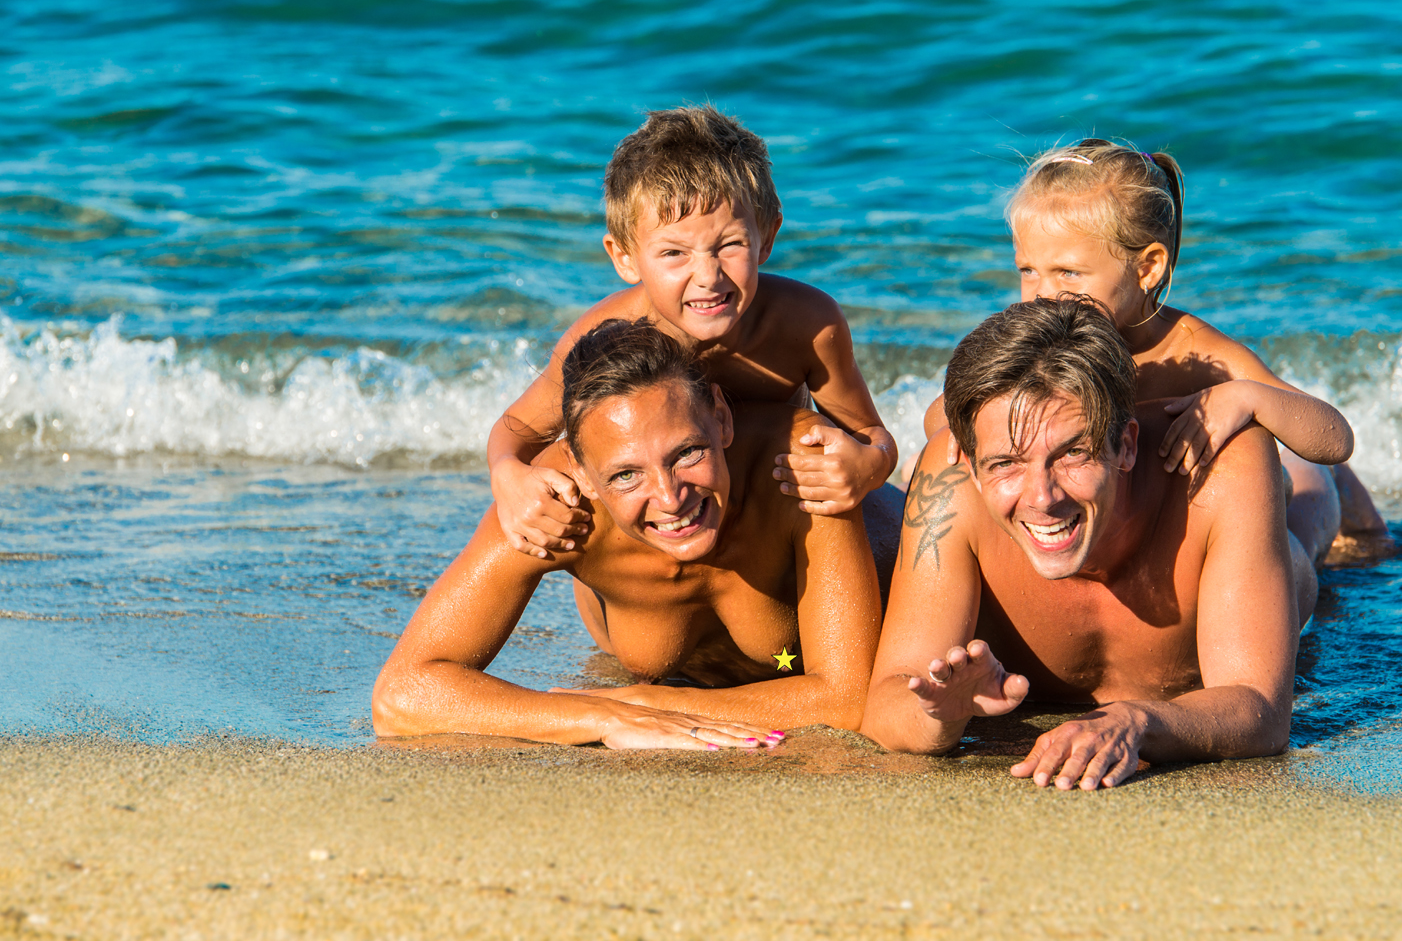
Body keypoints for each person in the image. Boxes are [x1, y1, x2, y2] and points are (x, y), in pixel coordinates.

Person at [373, 318, 882, 748]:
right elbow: (402, 696)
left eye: (688, 453)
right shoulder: (555, 505)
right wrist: (605, 717)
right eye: (625, 474)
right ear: (582, 469)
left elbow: (851, 696)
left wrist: (654, 700)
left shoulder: (797, 468)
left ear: (722, 419)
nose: (670, 497)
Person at [864, 299, 1307, 789]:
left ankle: (1322, 488)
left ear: (1127, 445)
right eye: (1006, 464)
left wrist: (1139, 721)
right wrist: (941, 716)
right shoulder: (949, 490)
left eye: (1074, 452)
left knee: (1310, 530)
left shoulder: (1221, 468)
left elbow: (1260, 710)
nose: (1042, 497)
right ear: (969, 463)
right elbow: (886, 702)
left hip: (1274, 557)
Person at [922, 137, 1390, 566]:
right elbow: (937, 418)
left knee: (1309, 503)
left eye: (1067, 273)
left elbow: (1333, 439)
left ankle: (1366, 529)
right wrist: (970, 429)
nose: (1042, 295)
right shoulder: (1034, 348)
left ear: (1147, 267)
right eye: (1028, 270)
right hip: (1137, 523)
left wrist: (1245, 397)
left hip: (1271, 505)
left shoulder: (1191, 350)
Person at [488, 105, 899, 566]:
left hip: (757, 513)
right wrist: (506, 475)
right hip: (657, 517)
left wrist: (868, 465)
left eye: (729, 245)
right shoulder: (608, 339)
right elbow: (517, 429)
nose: (707, 276)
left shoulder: (807, 324)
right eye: (673, 253)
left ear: (767, 235)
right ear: (623, 257)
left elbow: (869, 434)